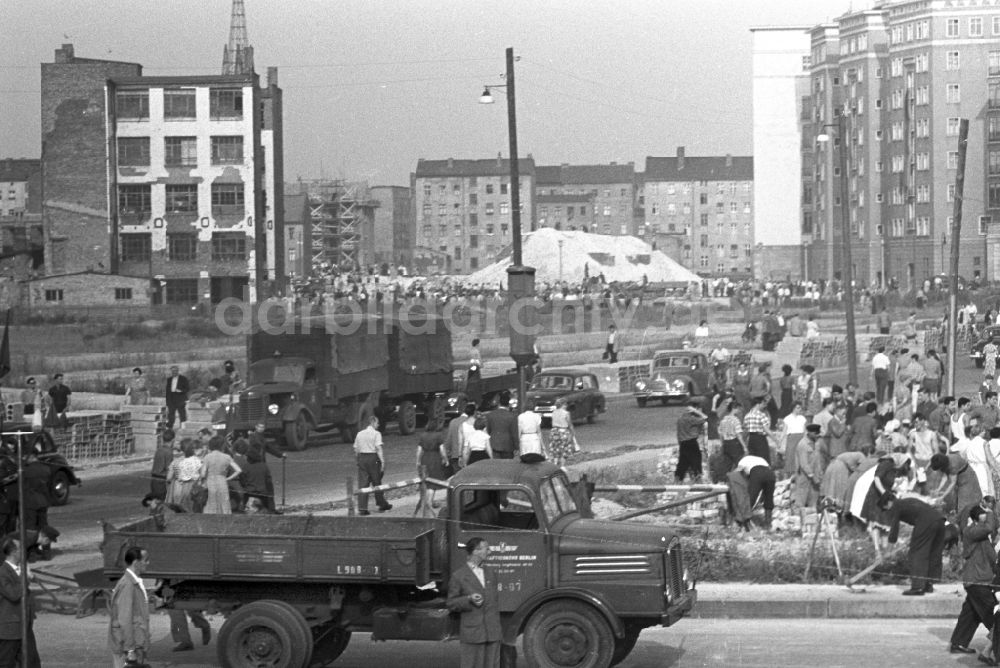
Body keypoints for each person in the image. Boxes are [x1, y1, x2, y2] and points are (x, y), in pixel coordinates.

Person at [948, 503, 999, 658]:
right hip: (978, 581)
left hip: (978, 580)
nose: (988, 516)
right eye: (985, 514)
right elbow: (989, 527)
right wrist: (990, 513)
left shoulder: (981, 535)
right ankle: (996, 645)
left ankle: (959, 643)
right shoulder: (972, 531)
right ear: (979, 517)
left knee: (970, 614)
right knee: (992, 612)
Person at [447, 537, 501, 668]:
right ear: (476, 551)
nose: (489, 551)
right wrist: (468, 599)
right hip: (473, 634)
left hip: (492, 633)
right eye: (486, 548)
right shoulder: (458, 576)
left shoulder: (491, 573)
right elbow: (451, 603)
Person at [881, 493, 947, 595]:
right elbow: (919, 514)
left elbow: (894, 531)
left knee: (917, 554)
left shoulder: (896, 506)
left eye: (885, 509)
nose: (887, 512)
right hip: (939, 521)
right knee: (933, 553)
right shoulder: (907, 501)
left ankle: (918, 587)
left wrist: (888, 551)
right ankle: (928, 584)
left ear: (889, 502)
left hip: (926, 523)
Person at [108, 546, 151, 668]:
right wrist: (130, 649)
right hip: (127, 647)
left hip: (135, 642)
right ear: (136, 562)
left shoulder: (133, 582)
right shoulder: (128, 585)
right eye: (146, 560)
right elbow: (124, 619)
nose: (148, 563)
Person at [0, 538, 39, 668]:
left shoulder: (20, 569)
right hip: (10, 628)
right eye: (21, 549)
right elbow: (14, 594)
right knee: (7, 662)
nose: (24, 552)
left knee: (31, 662)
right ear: (14, 552)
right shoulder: (2, 573)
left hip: (25, 625)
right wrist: (25, 577)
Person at [354, 416, 392, 515]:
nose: (378, 425)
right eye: (377, 423)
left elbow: (356, 449)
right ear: (373, 423)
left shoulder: (359, 434)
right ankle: (381, 503)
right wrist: (383, 461)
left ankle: (362, 508)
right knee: (377, 481)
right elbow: (378, 448)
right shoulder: (376, 434)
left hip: (362, 457)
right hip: (373, 458)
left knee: (363, 483)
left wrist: (358, 460)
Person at [200, 436, 241, 515]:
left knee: (211, 501)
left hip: (210, 481)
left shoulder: (207, 457)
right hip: (222, 480)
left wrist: (204, 479)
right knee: (224, 502)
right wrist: (228, 478)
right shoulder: (227, 457)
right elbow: (238, 470)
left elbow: (203, 473)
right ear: (222, 445)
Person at [737, 454, 776, 531]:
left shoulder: (742, 461)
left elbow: (738, 475)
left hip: (757, 473)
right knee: (769, 498)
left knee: (751, 498)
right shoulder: (760, 458)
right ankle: (768, 524)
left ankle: (743, 523)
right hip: (770, 474)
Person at [675, 399, 707, 483]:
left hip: (682, 443)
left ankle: (678, 480)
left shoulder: (680, 418)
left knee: (682, 463)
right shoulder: (691, 419)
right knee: (696, 461)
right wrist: (696, 411)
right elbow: (705, 418)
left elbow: (678, 434)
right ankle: (698, 479)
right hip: (691, 443)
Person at [166, 440, 202, 513]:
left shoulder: (175, 462)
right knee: (193, 511)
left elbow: (169, 478)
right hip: (194, 489)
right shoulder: (198, 461)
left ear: (181, 449)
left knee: (179, 512)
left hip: (178, 488)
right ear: (193, 449)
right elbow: (202, 475)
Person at [416, 429, 447, 508]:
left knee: (425, 480)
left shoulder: (422, 435)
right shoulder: (439, 435)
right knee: (433, 480)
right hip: (435, 459)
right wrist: (445, 459)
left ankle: (425, 501)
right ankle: (429, 501)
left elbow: (419, 450)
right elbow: (442, 450)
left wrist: (418, 461)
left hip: (425, 458)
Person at [743, 396, 776, 465]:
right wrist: (776, 440)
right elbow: (767, 430)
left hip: (751, 439)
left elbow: (745, 431)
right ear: (758, 404)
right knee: (764, 460)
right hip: (760, 439)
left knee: (753, 461)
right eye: (763, 404)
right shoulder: (761, 415)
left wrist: (744, 443)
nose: (764, 406)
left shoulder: (747, 415)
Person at [485, 395, 518, 460]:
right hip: (508, 445)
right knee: (507, 466)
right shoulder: (512, 416)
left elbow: (488, 430)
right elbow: (514, 433)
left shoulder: (490, 415)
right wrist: (517, 447)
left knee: (496, 466)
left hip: (494, 444)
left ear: (499, 403)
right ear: (508, 404)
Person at [446, 404, 475, 474]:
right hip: (469, 455)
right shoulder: (473, 422)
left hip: (455, 454)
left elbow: (449, 439)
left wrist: (448, 452)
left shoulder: (453, 421)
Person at [548, 398, 577, 468]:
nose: (566, 406)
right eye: (566, 404)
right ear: (563, 405)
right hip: (563, 432)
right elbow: (570, 424)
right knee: (564, 450)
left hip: (554, 432)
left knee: (555, 449)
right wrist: (573, 433)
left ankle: (554, 465)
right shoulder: (566, 413)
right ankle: (562, 466)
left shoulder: (554, 412)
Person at [150, 428, 175, 501]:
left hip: (154, 480)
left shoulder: (159, 449)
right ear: (173, 440)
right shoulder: (169, 452)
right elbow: (169, 469)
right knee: (161, 502)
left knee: (155, 502)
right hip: (161, 481)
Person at [165, 366, 190, 430]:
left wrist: (181, 391)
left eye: (175, 371)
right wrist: (167, 401)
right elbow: (167, 391)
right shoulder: (169, 379)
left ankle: (183, 427)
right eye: (173, 371)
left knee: (182, 412)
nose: (174, 372)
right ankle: (170, 428)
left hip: (180, 397)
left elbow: (187, 388)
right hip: (171, 398)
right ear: (171, 372)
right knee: (171, 414)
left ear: (178, 371)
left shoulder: (183, 379)